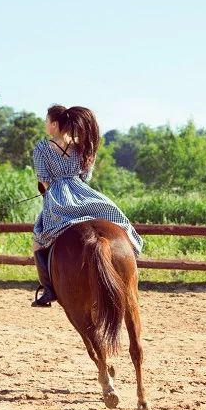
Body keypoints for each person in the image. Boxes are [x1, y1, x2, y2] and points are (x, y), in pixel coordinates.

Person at [30, 105, 143, 307]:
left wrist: (54, 191)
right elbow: (86, 177)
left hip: (57, 196)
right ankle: (130, 261)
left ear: (54, 125)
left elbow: (44, 180)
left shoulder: (41, 148)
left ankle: (47, 291)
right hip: (84, 194)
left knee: (39, 239)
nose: (46, 125)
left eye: (47, 122)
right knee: (117, 220)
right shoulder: (83, 146)